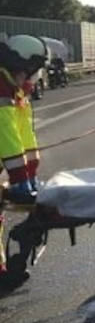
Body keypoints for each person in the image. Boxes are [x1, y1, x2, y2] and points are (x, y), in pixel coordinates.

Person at [0, 35, 47, 273]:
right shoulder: (1, 88)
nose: (31, 79)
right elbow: (5, 134)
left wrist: (30, 172)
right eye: (30, 72)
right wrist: (19, 178)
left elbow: (24, 133)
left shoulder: (15, 90)